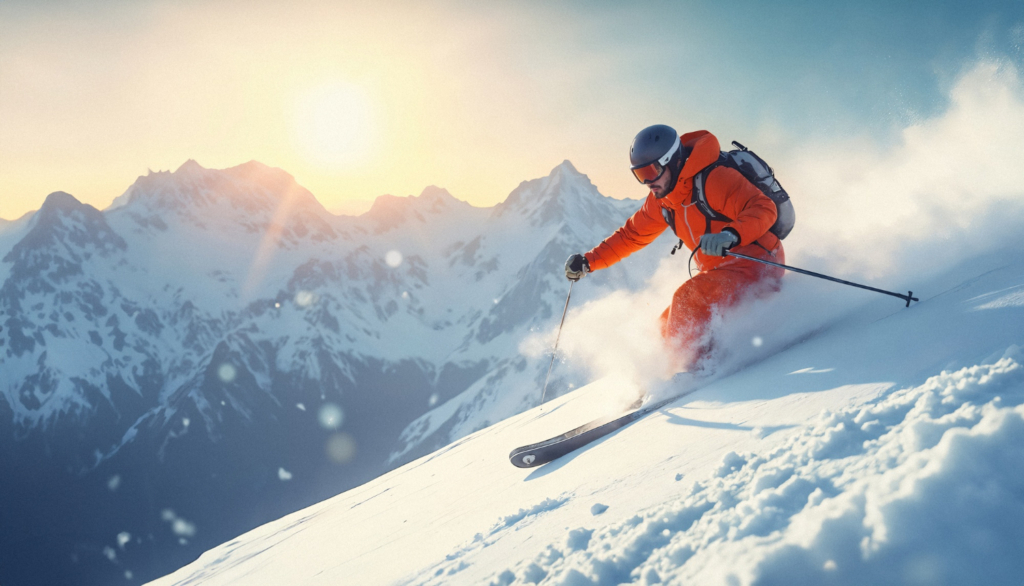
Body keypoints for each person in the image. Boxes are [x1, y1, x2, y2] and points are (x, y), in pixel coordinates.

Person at [565, 125, 785, 373]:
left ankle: (692, 372)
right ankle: (669, 375)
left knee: (687, 302)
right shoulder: (664, 201)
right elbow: (631, 235)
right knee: (664, 326)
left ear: (672, 161)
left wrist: (731, 234)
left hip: (758, 264)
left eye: (651, 171)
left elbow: (763, 207)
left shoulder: (714, 180)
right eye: (639, 175)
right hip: (720, 274)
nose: (648, 182)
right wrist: (589, 261)